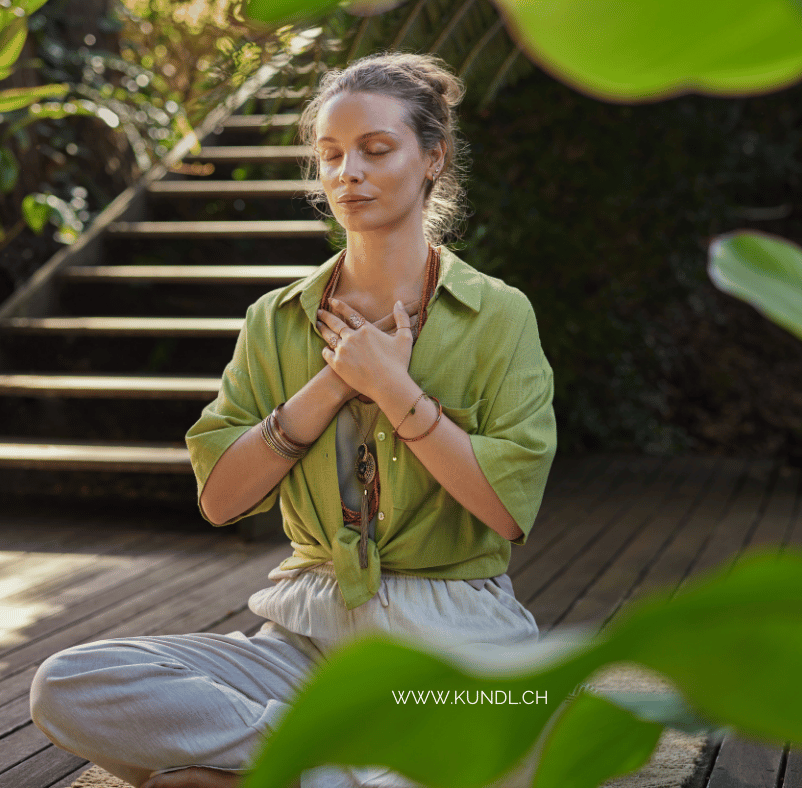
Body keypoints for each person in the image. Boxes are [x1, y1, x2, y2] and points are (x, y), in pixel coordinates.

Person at [29, 51, 557, 788]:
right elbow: (221, 499)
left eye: (376, 150)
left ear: (433, 157)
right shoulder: (274, 322)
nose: (349, 173)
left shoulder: (498, 315)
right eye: (332, 154)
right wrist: (336, 383)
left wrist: (397, 391)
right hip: (302, 642)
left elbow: (505, 510)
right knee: (67, 683)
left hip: (452, 647)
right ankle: (328, 762)